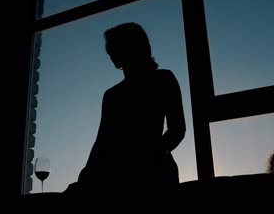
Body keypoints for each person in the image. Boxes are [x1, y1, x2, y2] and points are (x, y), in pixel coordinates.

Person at [64, 23, 186, 196]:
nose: (111, 53)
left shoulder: (164, 79)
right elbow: (102, 143)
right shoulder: (111, 95)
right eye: (110, 48)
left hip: (154, 172)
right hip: (119, 173)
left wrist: (148, 156)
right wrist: (87, 175)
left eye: (114, 47)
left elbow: (177, 130)